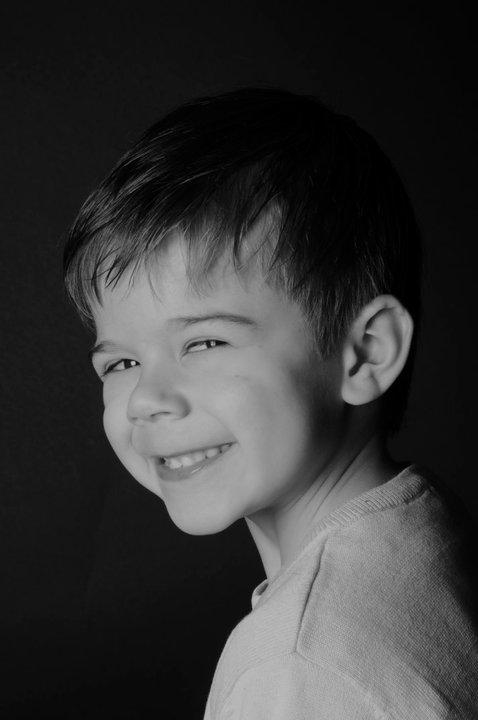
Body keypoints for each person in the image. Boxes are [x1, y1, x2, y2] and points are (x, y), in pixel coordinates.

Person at [63, 87, 478, 719]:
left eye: (204, 342)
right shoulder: (423, 527)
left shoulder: (297, 670)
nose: (145, 399)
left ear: (366, 353)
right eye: (120, 363)